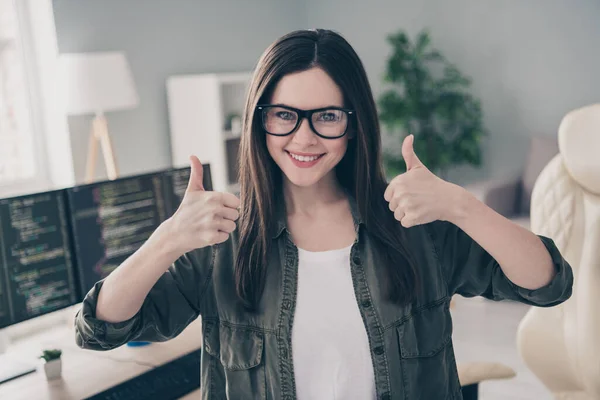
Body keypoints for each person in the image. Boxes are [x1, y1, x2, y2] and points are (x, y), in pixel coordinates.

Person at [74, 29, 573, 400]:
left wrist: (463, 206)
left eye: (327, 116)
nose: (304, 138)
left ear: (355, 124)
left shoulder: (414, 226)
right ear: (259, 121)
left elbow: (548, 284)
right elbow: (99, 329)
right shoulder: (223, 238)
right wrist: (168, 240)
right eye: (284, 115)